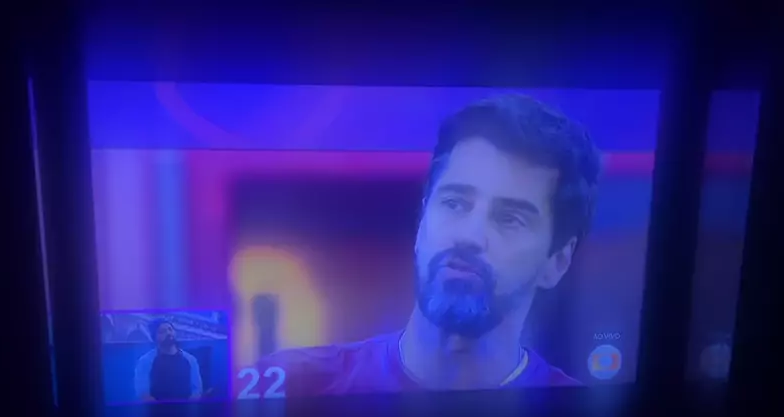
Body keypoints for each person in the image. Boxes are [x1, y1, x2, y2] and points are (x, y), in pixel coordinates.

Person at [241, 94, 601, 397]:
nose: (469, 236)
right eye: (454, 203)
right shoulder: (290, 388)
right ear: (422, 222)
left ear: (557, 261)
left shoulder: (579, 414)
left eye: (510, 218)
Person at [134, 319, 204, 401]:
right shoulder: (145, 361)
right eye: (162, 331)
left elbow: (197, 390)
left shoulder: (190, 360)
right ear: (154, 337)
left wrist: (188, 406)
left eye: (170, 329)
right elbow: (143, 392)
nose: (168, 333)